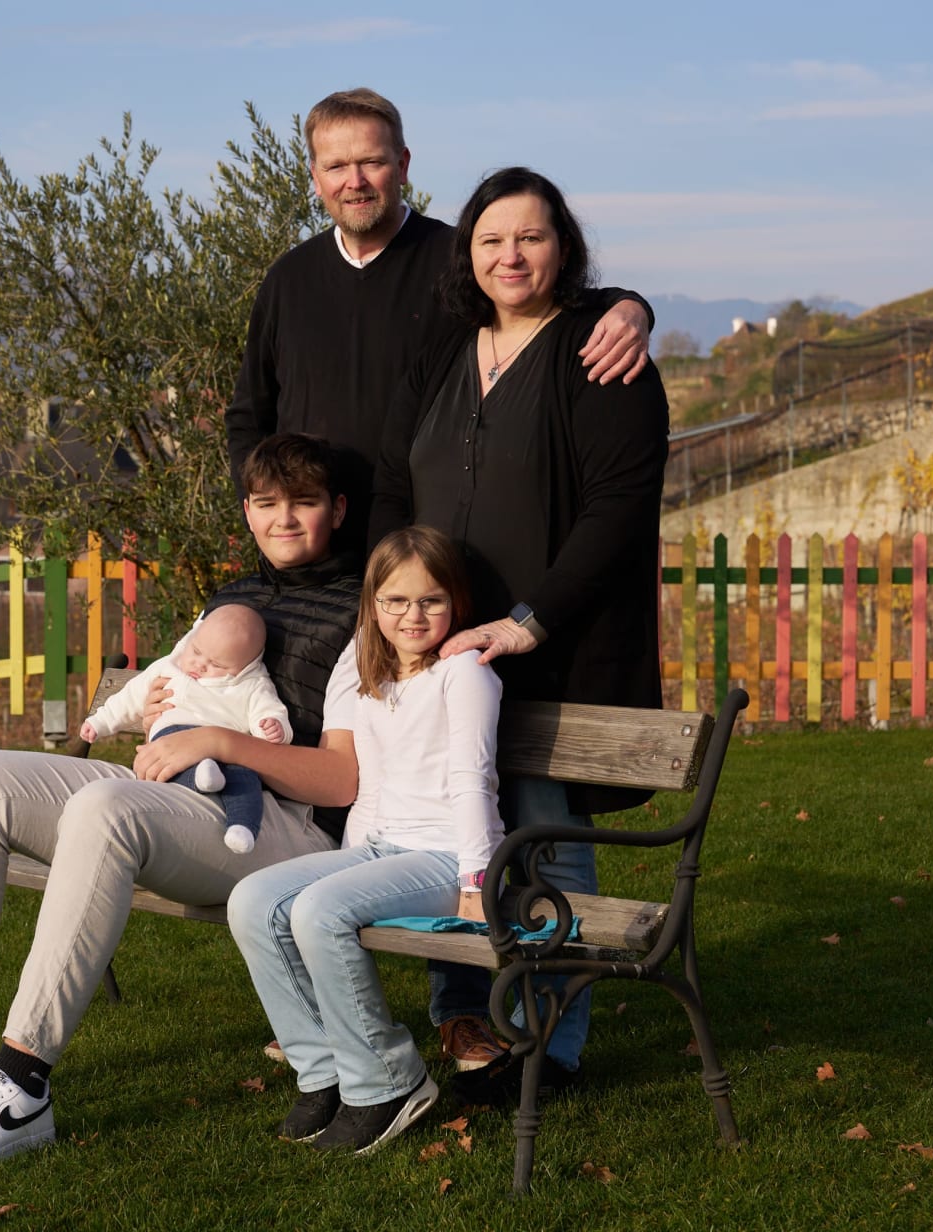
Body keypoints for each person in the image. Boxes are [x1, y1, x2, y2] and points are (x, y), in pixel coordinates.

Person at [0, 433, 362, 1173]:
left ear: (338, 508)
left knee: (105, 809)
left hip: (281, 828)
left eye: (303, 502)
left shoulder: (362, 612)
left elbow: (341, 781)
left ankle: (22, 1090)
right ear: (246, 510)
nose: (284, 519)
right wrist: (160, 720)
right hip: (179, 798)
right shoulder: (231, 598)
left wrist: (221, 740)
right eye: (267, 503)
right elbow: (167, 698)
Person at [368, 165, 670, 1100]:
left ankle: (552, 1045)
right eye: (492, 239)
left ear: (562, 247)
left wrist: (529, 622)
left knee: (544, 844)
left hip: (553, 654)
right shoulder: (446, 350)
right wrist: (394, 605)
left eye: (531, 237)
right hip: (441, 654)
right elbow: (393, 481)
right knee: (444, 837)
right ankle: (467, 1023)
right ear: (468, 252)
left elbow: (619, 508)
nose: (511, 255)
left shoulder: (601, 350)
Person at [225, 87, 655, 561]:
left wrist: (629, 306)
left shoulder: (460, 261)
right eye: (336, 167)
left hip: (423, 560)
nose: (355, 181)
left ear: (403, 164)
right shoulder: (288, 278)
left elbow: (542, 296)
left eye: (372, 162)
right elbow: (249, 415)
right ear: (314, 177)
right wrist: (267, 513)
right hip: (311, 557)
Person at [228, 525, 500, 1153]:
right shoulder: (369, 672)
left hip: (446, 856)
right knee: (253, 900)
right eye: (395, 601)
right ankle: (324, 1071)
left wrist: (475, 883)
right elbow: (370, 785)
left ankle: (388, 1081)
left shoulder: (464, 673)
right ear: (373, 605)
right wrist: (348, 861)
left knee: (320, 912)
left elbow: (473, 781)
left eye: (431, 600)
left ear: (456, 602)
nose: (412, 616)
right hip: (381, 850)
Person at [80, 602, 292, 854]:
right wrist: (100, 721)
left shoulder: (252, 684)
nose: (199, 664)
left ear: (247, 666)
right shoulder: (169, 668)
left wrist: (272, 726)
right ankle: (203, 775)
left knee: (247, 780)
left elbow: (269, 711)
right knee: (173, 766)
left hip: (229, 751)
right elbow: (130, 698)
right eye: (196, 651)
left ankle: (242, 828)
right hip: (172, 737)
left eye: (217, 665)